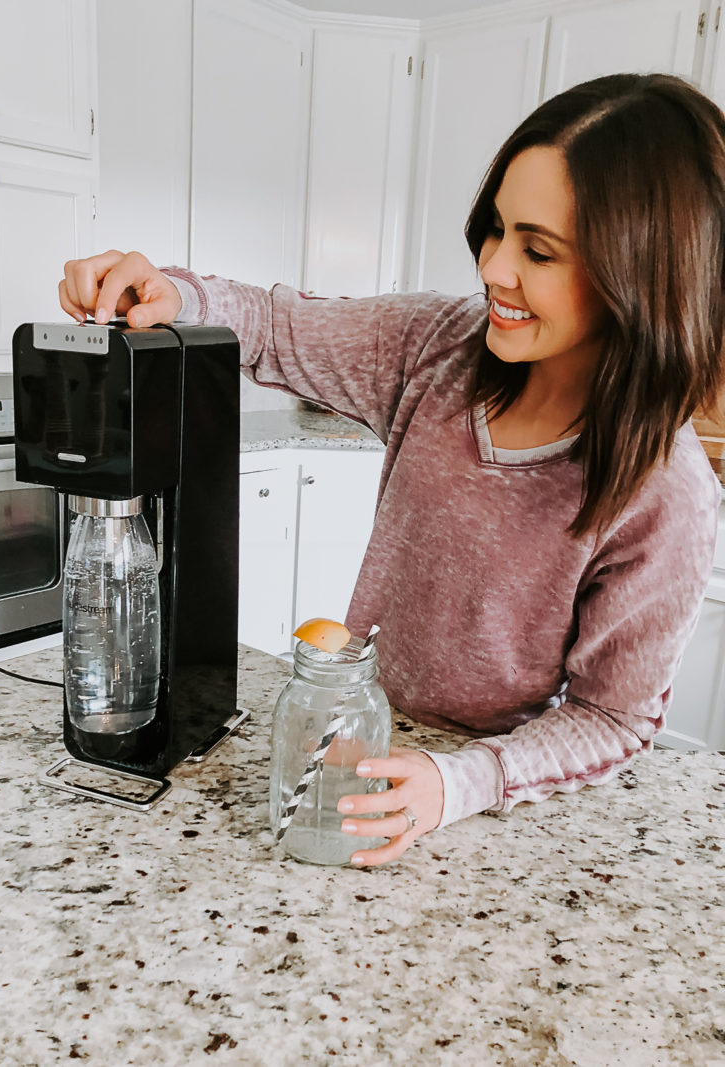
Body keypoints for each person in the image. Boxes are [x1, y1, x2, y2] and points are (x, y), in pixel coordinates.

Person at [59, 73, 724, 867]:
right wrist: (174, 292)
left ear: (641, 279)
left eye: (537, 250)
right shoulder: (438, 347)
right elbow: (275, 325)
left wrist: (459, 781)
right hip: (358, 734)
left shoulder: (667, 492)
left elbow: (613, 720)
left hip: (490, 802)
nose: (495, 268)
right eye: (496, 229)